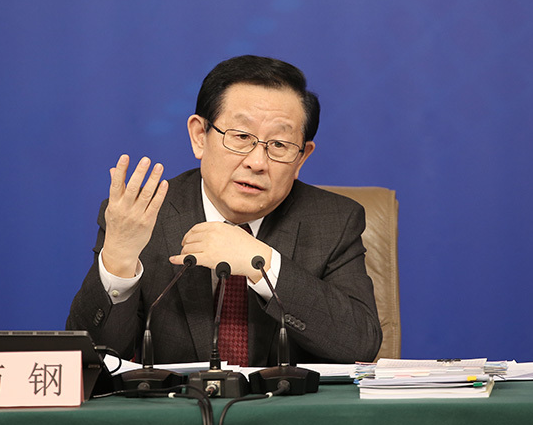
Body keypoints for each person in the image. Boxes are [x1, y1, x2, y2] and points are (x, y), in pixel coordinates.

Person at [66, 55, 381, 365]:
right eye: (241, 137)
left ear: (302, 157)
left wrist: (264, 264)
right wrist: (118, 264)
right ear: (199, 136)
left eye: (279, 145)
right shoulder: (145, 216)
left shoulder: (335, 221)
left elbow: (360, 345)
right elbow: (89, 360)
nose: (257, 162)